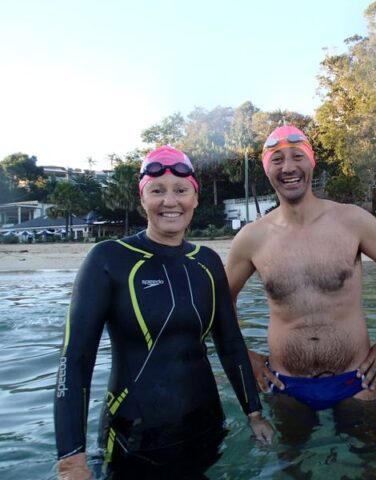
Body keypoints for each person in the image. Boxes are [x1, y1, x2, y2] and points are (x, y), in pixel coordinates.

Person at [54, 146, 273, 480]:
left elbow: (230, 343)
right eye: (157, 191)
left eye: (180, 190)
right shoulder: (109, 259)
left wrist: (254, 414)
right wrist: (71, 459)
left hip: (206, 429)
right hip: (133, 438)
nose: (170, 201)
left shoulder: (207, 262)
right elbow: (75, 359)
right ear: (142, 198)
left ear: (195, 198)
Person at [225, 125, 376, 450]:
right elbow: (221, 299)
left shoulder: (351, 221)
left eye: (297, 157)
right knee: (293, 463)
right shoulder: (251, 238)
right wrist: (243, 356)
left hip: (357, 378)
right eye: (277, 160)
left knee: (370, 463)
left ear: (312, 162)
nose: (288, 167)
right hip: (285, 384)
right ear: (267, 170)